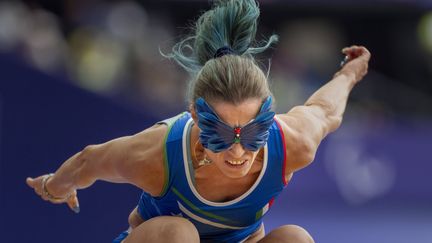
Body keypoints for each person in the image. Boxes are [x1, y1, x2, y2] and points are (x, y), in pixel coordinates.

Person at [26, 0, 371, 242]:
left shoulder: (290, 143)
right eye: (221, 135)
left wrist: (350, 74)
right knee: (179, 234)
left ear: (267, 117)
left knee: (296, 239)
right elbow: (91, 159)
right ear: (196, 117)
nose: (238, 151)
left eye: (252, 134)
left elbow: (325, 112)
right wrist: (55, 186)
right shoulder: (159, 153)